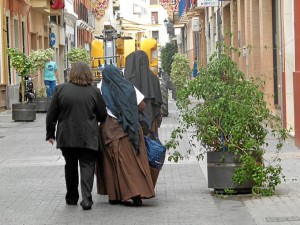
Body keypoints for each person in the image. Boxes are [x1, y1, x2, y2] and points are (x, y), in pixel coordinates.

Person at [46, 62, 107, 210]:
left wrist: (50, 134)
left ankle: (72, 197)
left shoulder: (60, 90)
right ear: (88, 74)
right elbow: (102, 115)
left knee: (70, 166)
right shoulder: (94, 92)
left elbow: (51, 114)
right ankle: (86, 199)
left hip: (67, 136)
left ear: (71, 74)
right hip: (88, 136)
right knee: (87, 166)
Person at [96, 65, 155, 206]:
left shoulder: (100, 89)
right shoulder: (128, 86)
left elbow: (97, 109)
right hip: (131, 130)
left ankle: (114, 196)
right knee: (133, 162)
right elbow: (142, 106)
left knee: (112, 163)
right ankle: (136, 193)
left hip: (110, 131)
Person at [124, 50, 163, 187]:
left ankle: (136, 184)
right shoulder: (153, 78)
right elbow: (158, 104)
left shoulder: (127, 82)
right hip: (150, 125)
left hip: (133, 124)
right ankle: (149, 182)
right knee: (150, 151)